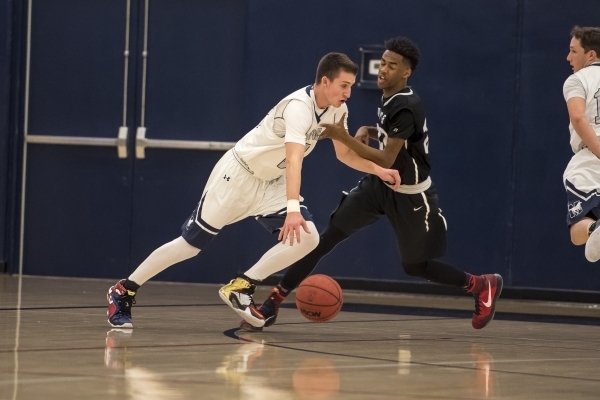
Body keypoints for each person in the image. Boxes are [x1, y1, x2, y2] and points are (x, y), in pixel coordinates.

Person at [107, 52, 401, 328]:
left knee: (308, 238)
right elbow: (296, 159)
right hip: (238, 176)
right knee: (189, 246)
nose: (348, 93)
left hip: (271, 181)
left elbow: (344, 153)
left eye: (350, 86)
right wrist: (293, 210)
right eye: (344, 85)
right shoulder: (298, 108)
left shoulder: (338, 110)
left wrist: (379, 170)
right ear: (325, 81)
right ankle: (124, 290)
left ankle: (242, 285)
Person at [241, 37, 503, 332]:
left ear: (406, 73)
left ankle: (481, 285)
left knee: (415, 266)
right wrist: (369, 131)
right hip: (379, 185)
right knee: (322, 240)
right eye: (384, 63)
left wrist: (342, 136)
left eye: (393, 66)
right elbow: (398, 145)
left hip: (410, 195)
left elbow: (389, 157)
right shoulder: (390, 97)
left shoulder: (406, 105)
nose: (384, 69)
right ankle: (273, 301)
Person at [562, 26, 600, 261]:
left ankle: (594, 228)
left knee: (578, 227)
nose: (568, 58)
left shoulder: (577, 80)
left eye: (573, 51)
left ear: (591, 55)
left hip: (590, 160)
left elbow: (578, 117)